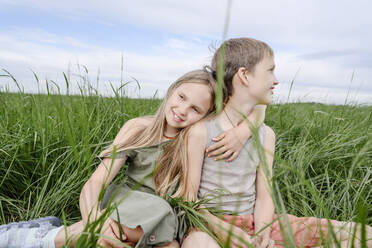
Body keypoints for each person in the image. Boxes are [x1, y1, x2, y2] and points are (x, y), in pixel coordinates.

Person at [0, 69, 265, 248]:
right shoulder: (139, 128)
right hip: (127, 199)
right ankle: (33, 238)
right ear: (171, 90)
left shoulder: (195, 137)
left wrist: (245, 129)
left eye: (195, 109)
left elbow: (258, 102)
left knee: (169, 238)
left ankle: (56, 228)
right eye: (181, 97)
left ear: (206, 115)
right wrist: (94, 221)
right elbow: (96, 183)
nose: (182, 110)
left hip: (166, 218)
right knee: (111, 232)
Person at [180, 38, 372, 248]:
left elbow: (264, 195)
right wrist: (224, 230)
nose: (276, 80)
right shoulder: (201, 131)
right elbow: (189, 199)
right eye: (270, 70)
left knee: (363, 235)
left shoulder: (266, 135)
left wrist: (262, 231)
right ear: (244, 75)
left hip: (258, 221)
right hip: (210, 225)